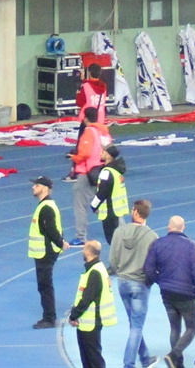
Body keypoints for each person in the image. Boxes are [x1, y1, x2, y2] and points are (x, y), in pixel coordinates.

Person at [144, 214, 195, 368]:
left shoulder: (158, 244)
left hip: (167, 293)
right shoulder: (191, 246)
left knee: (174, 327)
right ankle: (174, 355)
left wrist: (161, 281)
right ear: (183, 227)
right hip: (186, 294)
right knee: (192, 327)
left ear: (169, 227)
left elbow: (148, 269)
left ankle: (178, 364)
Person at [111, 198, 159, 368]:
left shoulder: (119, 232)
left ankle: (144, 358)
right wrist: (149, 281)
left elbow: (112, 260)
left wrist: (119, 271)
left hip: (122, 281)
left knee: (134, 324)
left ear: (136, 212)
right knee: (136, 326)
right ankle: (129, 364)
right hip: (140, 283)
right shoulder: (152, 236)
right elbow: (154, 264)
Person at [70, 238, 118, 368]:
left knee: (93, 359)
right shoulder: (97, 268)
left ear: (88, 252)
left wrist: (73, 315)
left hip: (90, 323)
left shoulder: (94, 272)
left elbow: (86, 299)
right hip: (88, 322)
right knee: (89, 358)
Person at [69, 106, 109, 244]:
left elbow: (85, 153)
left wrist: (74, 158)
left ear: (85, 118)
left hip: (87, 171)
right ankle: (118, 228)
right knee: (99, 201)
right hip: (102, 170)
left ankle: (80, 237)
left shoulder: (88, 131)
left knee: (80, 204)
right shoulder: (104, 131)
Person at [30, 175, 66, 329]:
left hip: (45, 252)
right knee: (44, 285)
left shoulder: (46, 208)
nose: (33, 187)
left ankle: (49, 318)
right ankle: (49, 316)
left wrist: (61, 243)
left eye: (37, 185)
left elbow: (51, 229)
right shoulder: (46, 205)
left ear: (45, 188)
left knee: (45, 285)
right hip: (44, 251)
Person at [94, 144, 129, 244]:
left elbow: (102, 192)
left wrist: (94, 206)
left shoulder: (106, 172)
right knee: (119, 240)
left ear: (108, 155)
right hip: (117, 210)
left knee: (113, 241)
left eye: (103, 151)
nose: (100, 153)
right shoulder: (116, 170)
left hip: (109, 211)